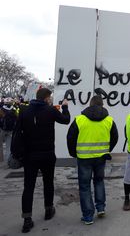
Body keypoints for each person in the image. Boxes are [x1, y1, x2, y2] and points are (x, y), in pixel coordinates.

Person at [17, 88, 70, 233]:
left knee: (28, 187)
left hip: (29, 155)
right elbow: (66, 120)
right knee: (48, 183)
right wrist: (65, 106)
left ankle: (27, 220)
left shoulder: (24, 111)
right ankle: (48, 210)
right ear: (46, 98)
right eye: (50, 98)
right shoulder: (50, 110)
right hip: (47, 154)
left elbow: (18, 132)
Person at [66, 95, 118, 225]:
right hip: (101, 157)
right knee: (99, 181)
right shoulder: (109, 120)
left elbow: (70, 138)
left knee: (84, 187)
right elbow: (115, 137)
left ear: (90, 104)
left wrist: (74, 153)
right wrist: (107, 149)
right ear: (102, 105)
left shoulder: (79, 120)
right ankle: (100, 208)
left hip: (84, 158)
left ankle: (88, 216)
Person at [0, 97, 18, 164]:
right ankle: (8, 160)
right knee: (9, 146)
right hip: (11, 130)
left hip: (2, 129)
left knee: (0, 145)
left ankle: (1, 159)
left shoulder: (1, 109)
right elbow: (17, 118)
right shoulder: (14, 109)